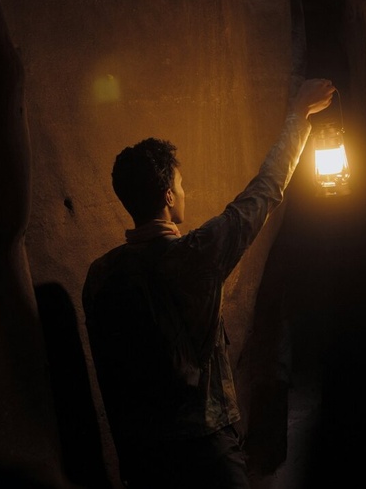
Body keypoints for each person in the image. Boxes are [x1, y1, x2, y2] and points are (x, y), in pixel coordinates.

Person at [81, 77, 336, 489]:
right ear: (167, 196)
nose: (184, 192)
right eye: (180, 186)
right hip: (205, 450)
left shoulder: (100, 275)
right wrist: (298, 115)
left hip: (143, 458)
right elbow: (264, 191)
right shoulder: (196, 254)